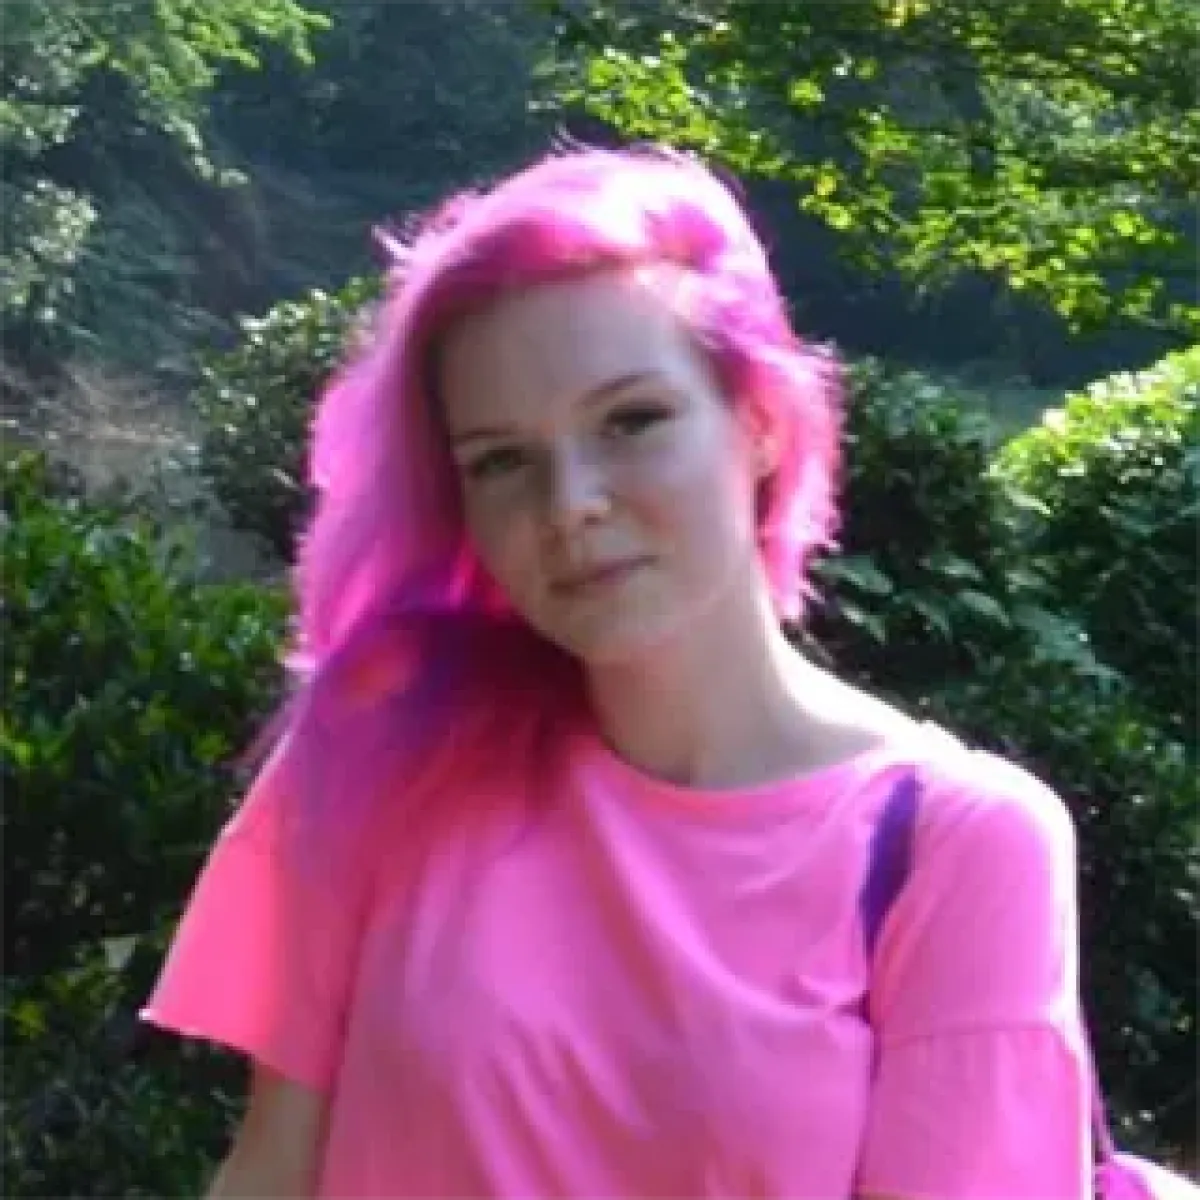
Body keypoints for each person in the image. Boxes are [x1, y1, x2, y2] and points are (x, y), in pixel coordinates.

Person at [142, 144, 1092, 1199]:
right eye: (502, 459)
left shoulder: (952, 844)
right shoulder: (389, 747)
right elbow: (272, 1171)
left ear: (760, 423)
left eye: (632, 421)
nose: (571, 504)